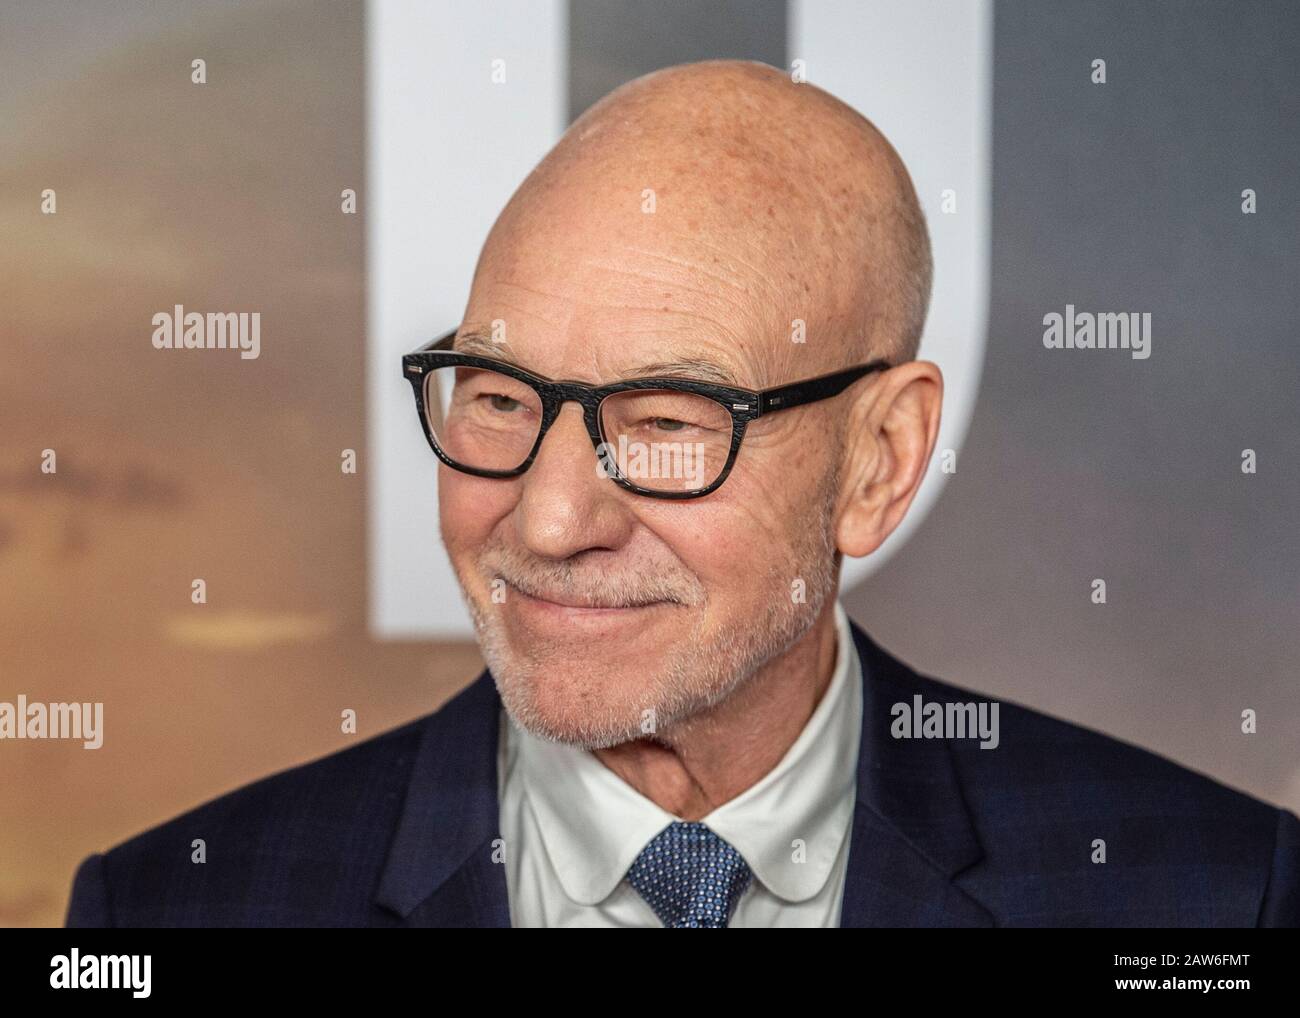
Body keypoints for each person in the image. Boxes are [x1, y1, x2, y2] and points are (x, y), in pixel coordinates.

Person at [66, 60, 1298, 928]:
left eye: (662, 424)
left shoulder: (1205, 896)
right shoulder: (173, 907)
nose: (548, 522)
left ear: (877, 461)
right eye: (496, 396)